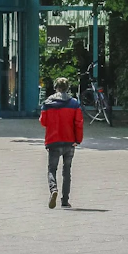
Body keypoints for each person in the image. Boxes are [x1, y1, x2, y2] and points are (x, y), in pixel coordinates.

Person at [39, 77, 83, 208]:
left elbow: (43, 122)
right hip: (69, 141)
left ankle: (53, 189)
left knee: (52, 169)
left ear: (55, 87)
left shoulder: (47, 103)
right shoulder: (74, 104)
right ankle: (65, 200)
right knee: (67, 171)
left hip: (53, 141)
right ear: (67, 88)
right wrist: (78, 140)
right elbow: (79, 123)